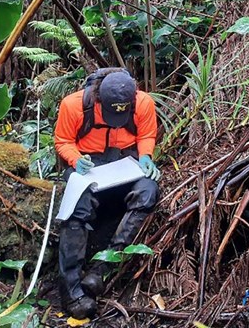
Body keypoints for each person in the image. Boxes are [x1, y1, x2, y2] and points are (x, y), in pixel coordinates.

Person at [54, 68, 161, 319]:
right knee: (76, 207)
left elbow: (146, 134)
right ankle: (71, 290)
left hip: (125, 165)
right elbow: (63, 140)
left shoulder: (143, 103)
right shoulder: (73, 106)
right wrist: (75, 159)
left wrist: (146, 156)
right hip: (88, 166)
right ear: (98, 98)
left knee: (148, 191)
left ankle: (101, 269)